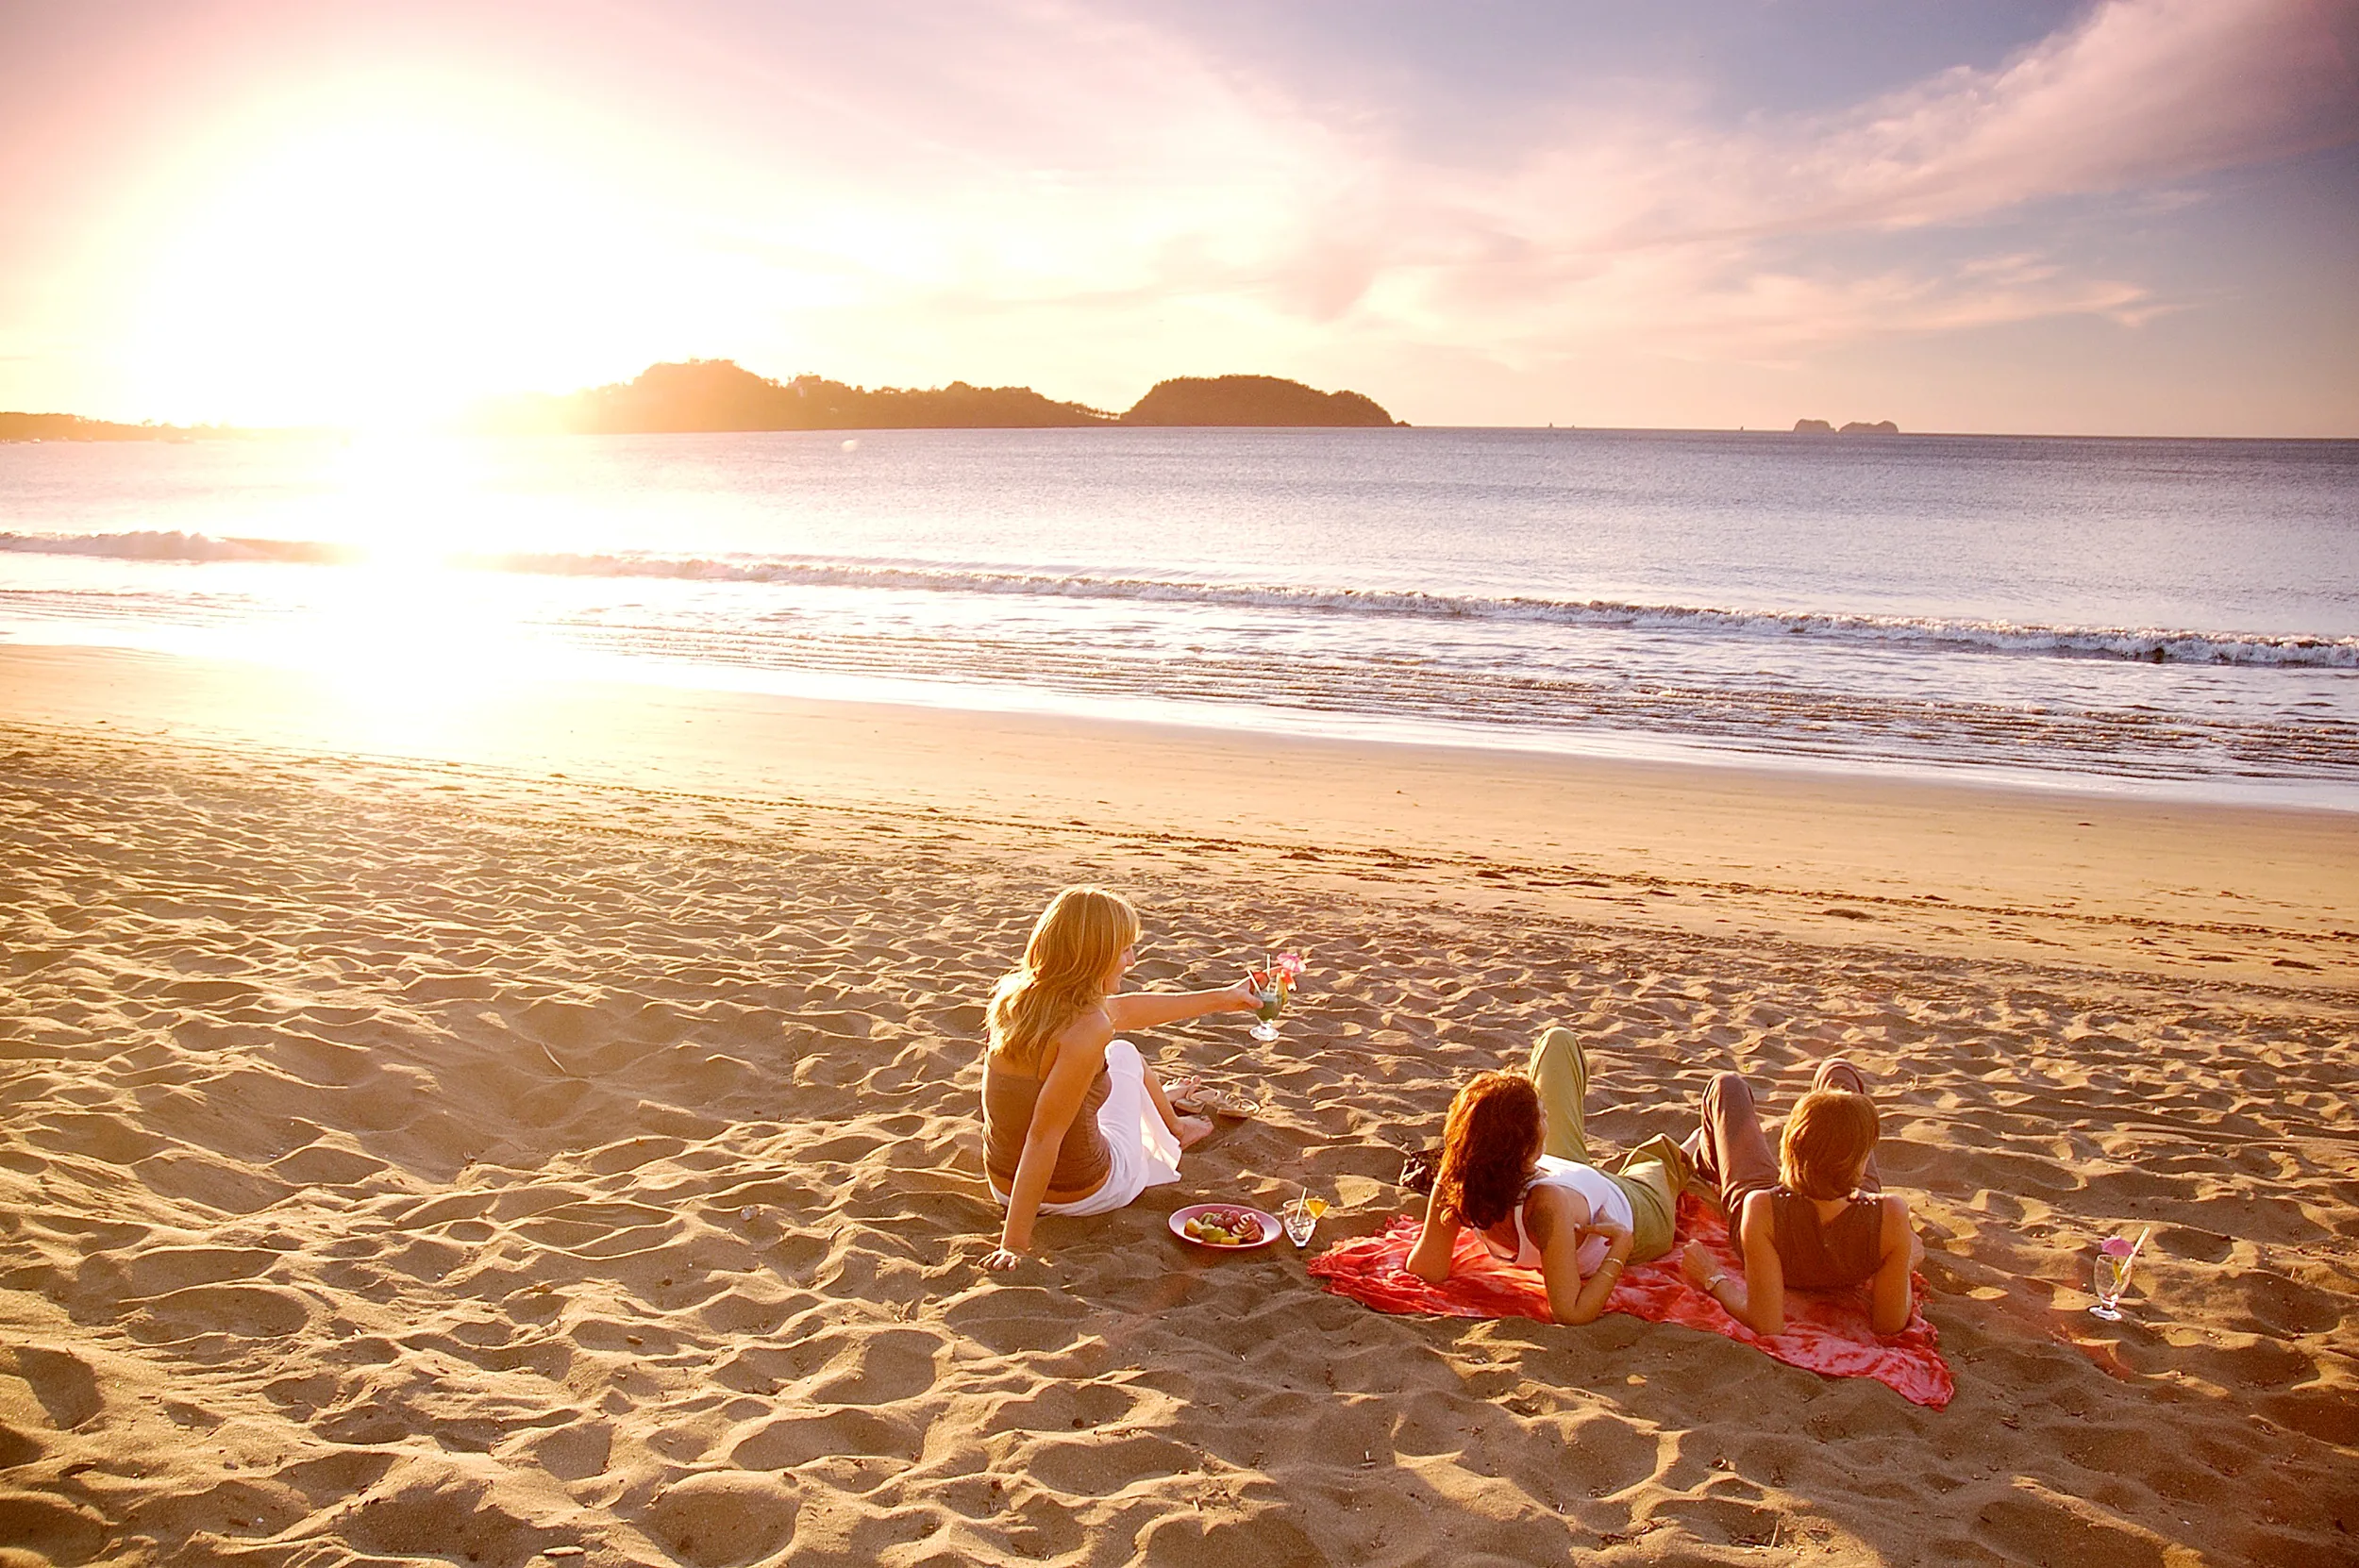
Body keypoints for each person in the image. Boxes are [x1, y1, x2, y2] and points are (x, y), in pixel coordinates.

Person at [979, 887, 1259, 1271]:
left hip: (1003, 1185)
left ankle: (1163, 1107)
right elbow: (1043, 1135)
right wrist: (1014, 1243)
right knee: (1124, 1054)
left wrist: (1224, 998)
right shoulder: (1088, 1027)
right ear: (1093, 954)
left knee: (1119, 1057)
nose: (1131, 960)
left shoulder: (1012, 1000)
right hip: (1081, 1192)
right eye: (1124, 949)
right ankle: (1176, 1128)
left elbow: (1125, 1010)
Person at [1405, 1026, 1687, 1325]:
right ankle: (1695, 1150)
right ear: (1524, 1142)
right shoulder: (1543, 1204)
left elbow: (1427, 1267)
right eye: (1541, 1115)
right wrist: (1621, 1246)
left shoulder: (1461, 1172)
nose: (1547, 1117)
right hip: (1633, 1209)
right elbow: (1570, 1312)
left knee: (1558, 1040)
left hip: (1561, 1170)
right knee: (1661, 1157)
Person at [1677, 1060, 1923, 1336]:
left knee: (1726, 1086)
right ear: (1859, 1163)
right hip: (1849, 1234)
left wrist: (1711, 1275)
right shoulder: (1891, 1214)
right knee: (1838, 1070)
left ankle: (1708, 1160)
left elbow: (1766, 1324)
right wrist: (1906, 1260)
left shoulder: (1761, 1207)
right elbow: (1889, 1324)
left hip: (1781, 1223)